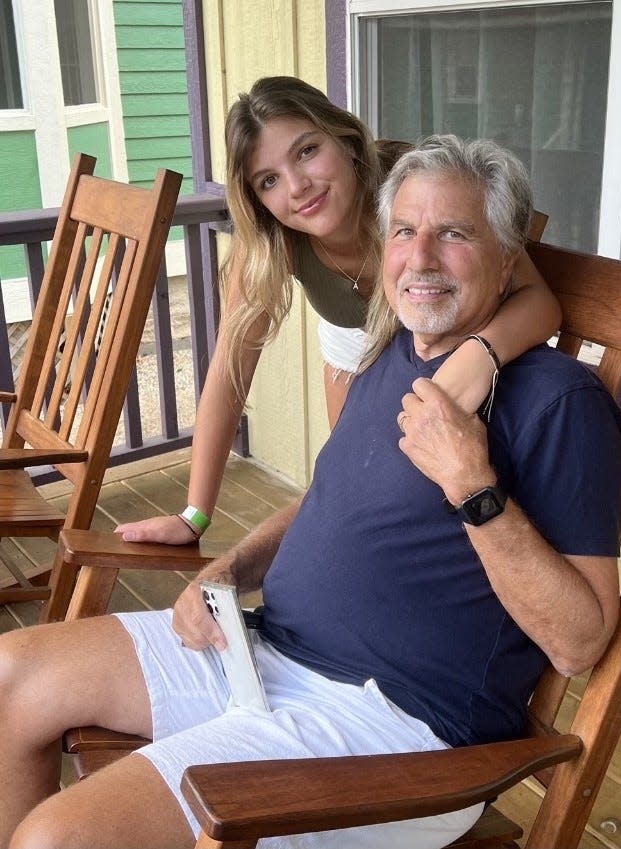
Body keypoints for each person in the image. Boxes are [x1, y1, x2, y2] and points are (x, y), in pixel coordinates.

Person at [0, 135, 621, 849]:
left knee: (61, 838)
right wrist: (231, 568)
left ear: (509, 258)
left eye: (454, 233)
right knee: (10, 675)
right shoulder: (395, 350)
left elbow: (580, 642)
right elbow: (329, 499)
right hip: (262, 646)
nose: (420, 258)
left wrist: (472, 485)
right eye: (403, 231)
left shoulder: (559, 403)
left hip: (392, 728)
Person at [114, 75, 562, 546]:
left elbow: (539, 300)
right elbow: (229, 371)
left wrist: (476, 358)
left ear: (345, 138)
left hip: (459, 343)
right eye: (268, 180)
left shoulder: (409, 184)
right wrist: (194, 516)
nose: (298, 186)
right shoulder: (270, 241)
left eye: (307, 151)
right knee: (367, 500)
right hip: (355, 358)